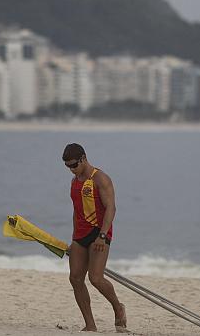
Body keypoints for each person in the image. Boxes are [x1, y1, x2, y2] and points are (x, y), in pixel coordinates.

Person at [63, 142, 127, 333]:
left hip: (99, 233)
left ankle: (118, 307)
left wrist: (101, 235)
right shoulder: (74, 181)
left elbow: (111, 208)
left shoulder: (100, 179)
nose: (71, 170)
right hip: (80, 235)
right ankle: (90, 324)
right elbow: (76, 212)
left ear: (83, 158)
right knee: (75, 278)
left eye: (74, 165)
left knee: (96, 278)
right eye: (67, 167)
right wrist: (74, 240)